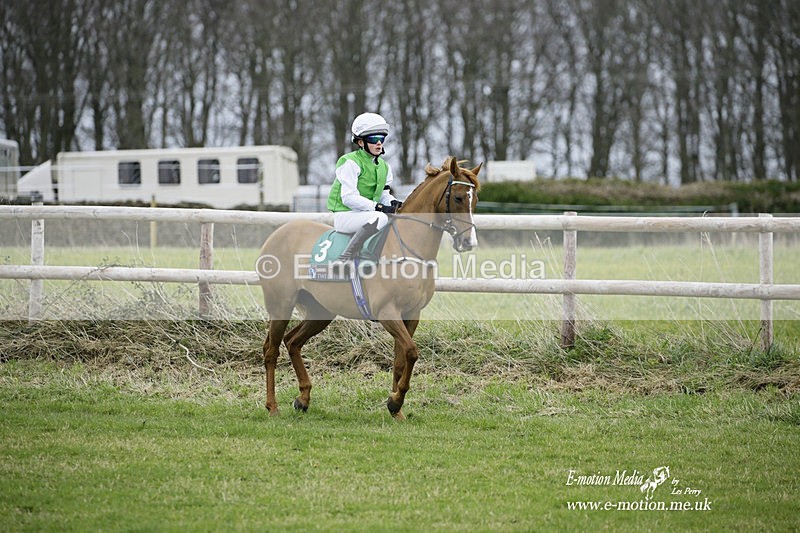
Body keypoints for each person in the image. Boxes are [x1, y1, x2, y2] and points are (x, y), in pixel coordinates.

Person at [327, 112, 402, 262]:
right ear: (361, 142)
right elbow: (348, 198)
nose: (379, 143)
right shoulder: (349, 162)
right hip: (345, 215)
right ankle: (345, 258)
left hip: (366, 215)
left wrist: (394, 203)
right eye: (374, 139)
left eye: (382, 138)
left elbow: (384, 195)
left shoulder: (384, 167)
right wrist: (379, 207)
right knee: (380, 217)